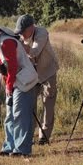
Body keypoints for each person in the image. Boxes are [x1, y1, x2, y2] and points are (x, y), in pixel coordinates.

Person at [0, 20, 39, 157]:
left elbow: (12, 67)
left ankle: (22, 149)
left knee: (20, 115)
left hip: (23, 81)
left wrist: (9, 86)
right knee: (10, 116)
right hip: (14, 81)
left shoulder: (6, 42)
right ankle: (9, 147)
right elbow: (5, 65)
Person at [15, 14, 59, 145]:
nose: (22, 35)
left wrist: (21, 45)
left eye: (23, 31)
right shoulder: (21, 36)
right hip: (32, 74)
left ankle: (44, 136)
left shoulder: (41, 32)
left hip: (48, 72)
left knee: (48, 104)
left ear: (31, 27)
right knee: (30, 104)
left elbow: (34, 51)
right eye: (20, 32)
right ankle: (29, 134)